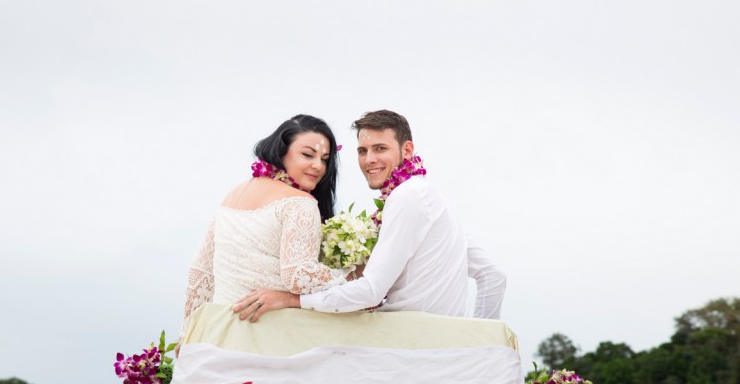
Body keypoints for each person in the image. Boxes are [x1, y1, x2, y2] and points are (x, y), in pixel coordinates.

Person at [235, 109, 506, 322]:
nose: (369, 160)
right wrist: (476, 341)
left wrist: (291, 300)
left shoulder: (408, 196)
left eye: (380, 148)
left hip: (409, 344)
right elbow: (493, 275)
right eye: (362, 151)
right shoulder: (426, 196)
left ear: (407, 150)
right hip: (431, 342)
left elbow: (371, 291)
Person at [175, 113, 352, 350]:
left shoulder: (233, 195)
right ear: (281, 152)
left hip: (219, 337)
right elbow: (298, 275)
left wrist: (187, 332)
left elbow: (201, 273)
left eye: (325, 159)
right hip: (269, 337)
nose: (318, 166)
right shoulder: (300, 203)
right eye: (308, 155)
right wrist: (353, 279)